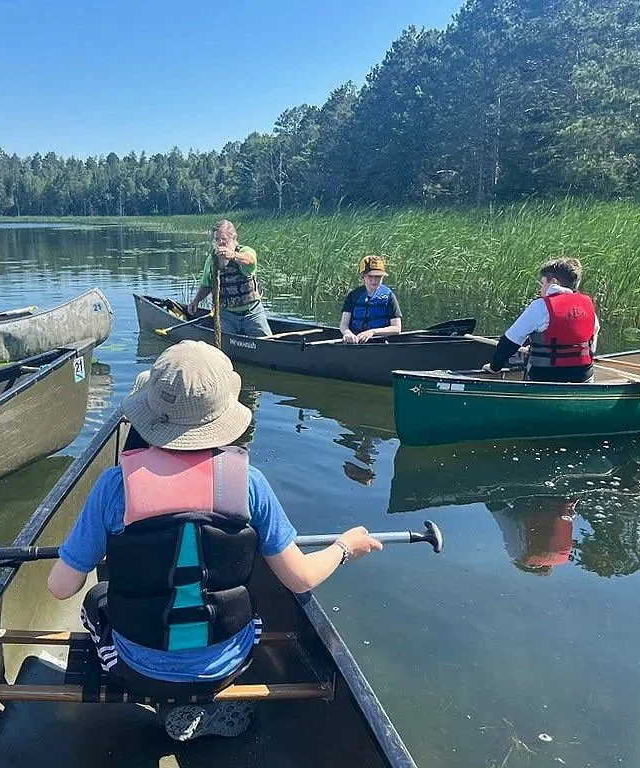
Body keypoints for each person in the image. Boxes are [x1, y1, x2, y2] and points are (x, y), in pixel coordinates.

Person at [47, 340, 384, 740]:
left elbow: (59, 587)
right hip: (231, 661)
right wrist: (345, 547)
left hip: (138, 668)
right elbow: (301, 579)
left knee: (95, 600)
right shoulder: (250, 486)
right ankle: (205, 702)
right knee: (252, 606)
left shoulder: (113, 488)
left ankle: (159, 701)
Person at [483, 257, 600, 382]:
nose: (541, 289)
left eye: (543, 283)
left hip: (546, 378)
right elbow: (591, 341)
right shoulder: (587, 303)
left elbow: (510, 341)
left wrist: (495, 367)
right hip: (583, 377)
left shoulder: (541, 306)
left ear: (554, 282)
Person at [186, 220, 272, 337]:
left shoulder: (245, 252)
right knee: (221, 345)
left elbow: (249, 260)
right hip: (226, 316)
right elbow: (207, 285)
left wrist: (233, 255)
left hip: (252, 313)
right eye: (217, 240)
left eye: (224, 239)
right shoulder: (212, 260)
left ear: (234, 238)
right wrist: (195, 301)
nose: (220, 243)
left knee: (267, 343)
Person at [339, 255, 403, 343]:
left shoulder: (389, 296)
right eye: (370, 276)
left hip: (380, 342)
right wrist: (348, 334)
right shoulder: (353, 295)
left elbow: (397, 328)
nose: (374, 280)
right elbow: (343, 325)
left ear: (382, 277)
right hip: (356, 341)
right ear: (363, 276)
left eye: (378, 277)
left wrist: (373, 332)